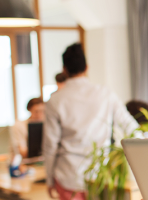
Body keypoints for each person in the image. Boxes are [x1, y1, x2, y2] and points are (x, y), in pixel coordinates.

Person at [43, 43, 139, 200]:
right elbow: (129, 126)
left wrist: (48, 179)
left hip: (68, 177)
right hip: (100, 176)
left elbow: (50, 145)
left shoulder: (56, 100)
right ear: (87, 67)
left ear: (64, 69)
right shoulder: (106, 94)